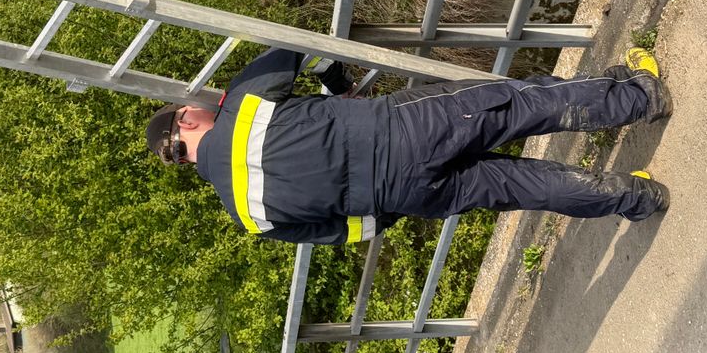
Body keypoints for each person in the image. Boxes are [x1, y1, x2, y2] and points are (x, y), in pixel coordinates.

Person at [145, 47, 672, 245]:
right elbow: (297, 50)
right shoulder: (239, 106)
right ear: (187, 118)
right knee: (519, 105)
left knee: (522, 186)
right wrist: (335, 87)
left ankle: (635, 198)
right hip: (404, 128)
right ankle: (639, 95)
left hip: (406, 196)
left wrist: (395, 203)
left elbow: (349, 232)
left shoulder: (245, 214)